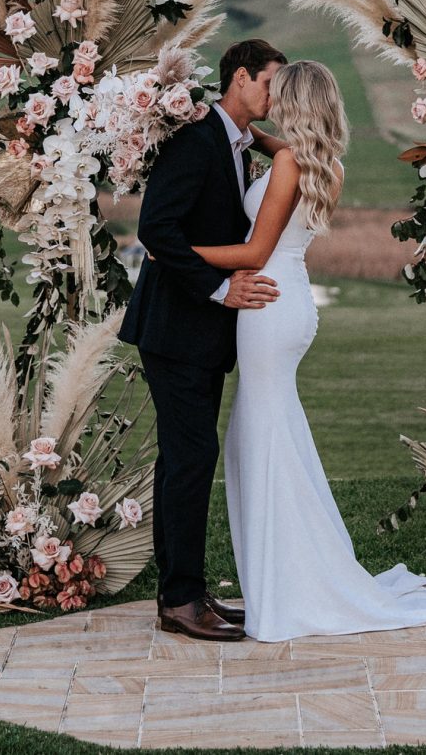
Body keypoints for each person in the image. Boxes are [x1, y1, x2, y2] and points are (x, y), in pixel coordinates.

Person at [192, 60, 426, 642]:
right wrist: (236, 129)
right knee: (270, 434)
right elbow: (271, 147)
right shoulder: (324, 164)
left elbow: (254, 251)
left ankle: (291, 588)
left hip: (267, 299)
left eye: (279, 92)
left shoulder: (290, 164)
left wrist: (175, 250)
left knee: (263, 441)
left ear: (294, 101)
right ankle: (286, 577)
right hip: (289, 301)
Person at [119, 38, 286, 641]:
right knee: (192, 460)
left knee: (184, 461)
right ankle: (181, 600)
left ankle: (182, 593)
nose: (275, 94)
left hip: (200, 335)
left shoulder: (236, 144)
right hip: (175, 327)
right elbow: (155, 229)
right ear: (240, 78)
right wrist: (219, 291)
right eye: (269, 82)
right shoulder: (195, 141)